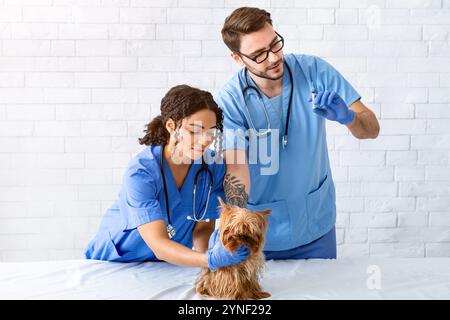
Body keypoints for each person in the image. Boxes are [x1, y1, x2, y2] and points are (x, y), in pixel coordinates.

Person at [218, 7, 380, 259]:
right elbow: (236, 166)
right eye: (259, 54)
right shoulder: (231, 100)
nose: (273, 58)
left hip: (315, 225)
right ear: (237, 59)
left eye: (275, 45)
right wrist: (235, 223)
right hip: (259, 236)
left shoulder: (314, 71)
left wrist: (348, 118)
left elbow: (371, 128)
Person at [85, 84, 249, 270]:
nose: (205, 140)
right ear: (172, 126)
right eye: (195, 130)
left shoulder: (211, 167)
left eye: (211, 131)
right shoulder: (141, 173)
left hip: (170, 264)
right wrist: (210, 260)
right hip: (116, 262)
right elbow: (159, 244)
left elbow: (202, 227)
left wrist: (209, 261)